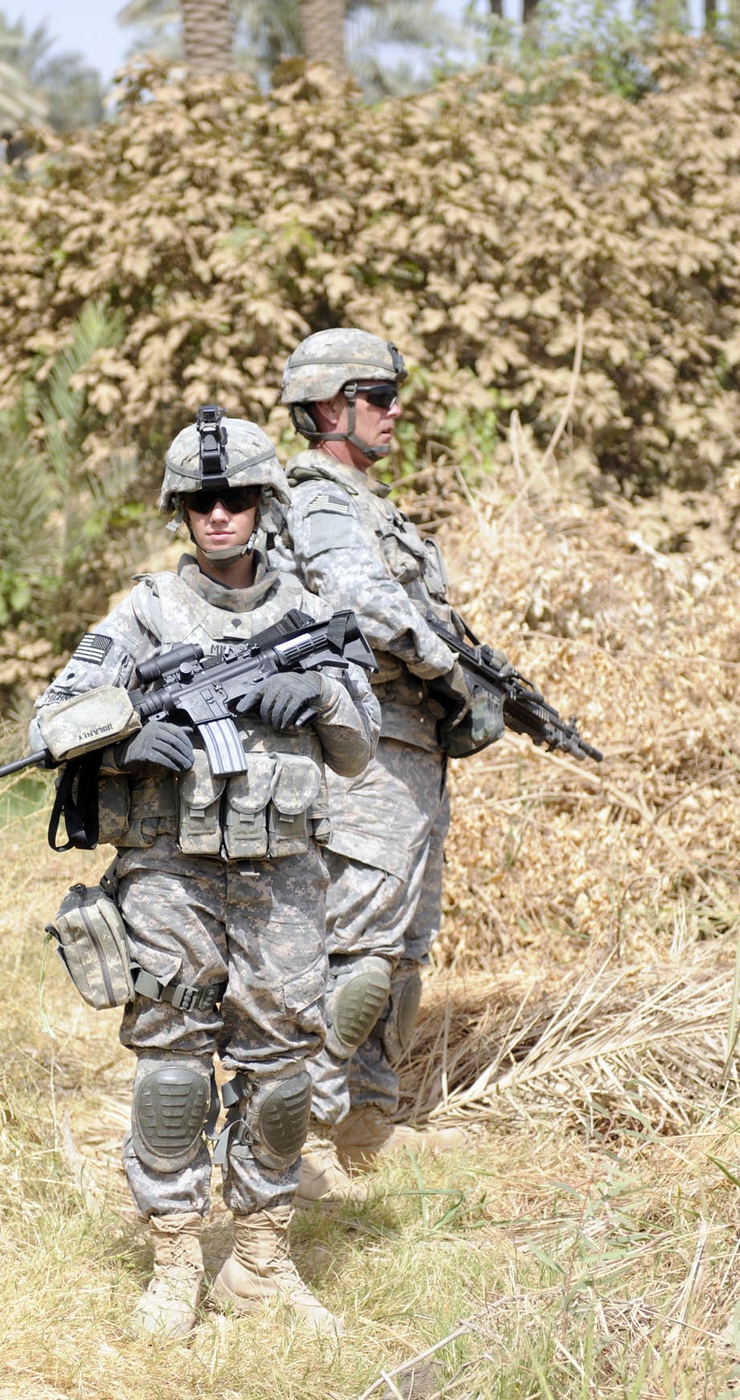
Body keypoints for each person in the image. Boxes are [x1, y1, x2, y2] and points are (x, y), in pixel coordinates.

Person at [30, 408, 379, 1337]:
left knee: (282, 1073)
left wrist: (323, 692)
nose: (217, 515)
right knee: (172, 1068)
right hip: (169, 876)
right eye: (199, 501)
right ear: (179, 512)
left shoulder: (310, 617)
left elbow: (358, 748)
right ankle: (176, 1259)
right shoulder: (146, 613)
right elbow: (50, 720)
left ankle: (262, 1264)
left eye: (233, 499)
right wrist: (127, 734)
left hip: (285, 883)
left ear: (263, 505)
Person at [271, 329, 491, 1206]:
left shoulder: (371, 502)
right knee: (355, 949)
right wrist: (449, 666)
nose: (396, 408)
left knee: (403, 951)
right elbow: (362, 603)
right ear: (332, 407)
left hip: (413, 754)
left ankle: (368, 1123)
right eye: (379, 394)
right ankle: (298, 1137)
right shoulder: (321, 499)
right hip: (363, 749)